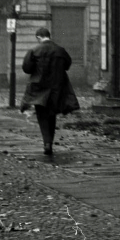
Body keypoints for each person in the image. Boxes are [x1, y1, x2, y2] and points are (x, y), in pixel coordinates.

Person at [19, 27, 79, 158]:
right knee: (52, 115)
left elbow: (27, 69)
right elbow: (67, 65)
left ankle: (47, 143)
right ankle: (49, 142)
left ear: (39, 37)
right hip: (56, 87)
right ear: (48, 36)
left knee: (42, 116)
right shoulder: (60, 50)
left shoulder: (34, 50)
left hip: (39, 88)